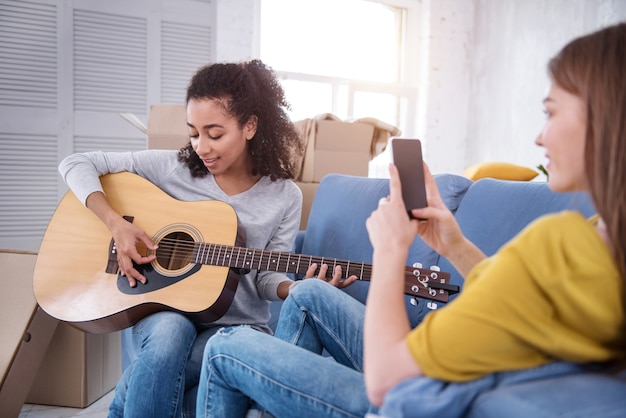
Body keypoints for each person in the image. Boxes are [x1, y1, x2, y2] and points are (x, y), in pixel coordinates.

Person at [195, 22, 626, 418]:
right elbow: (527, 299)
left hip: (414, 398)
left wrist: (390, 250)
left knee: (227, 344)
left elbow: (388, 381)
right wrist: (453, 244)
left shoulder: (561, 240)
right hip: (464, 378)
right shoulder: (601, 239)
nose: (539, 136)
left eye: (551, 112)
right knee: (308, 294)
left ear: (605, 120)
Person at [58, 59, 354, 418]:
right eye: (194, 132)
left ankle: (121, 404)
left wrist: (295, 288)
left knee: (168, 366)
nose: (201, 146)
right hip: (165, 308)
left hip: (236, 327)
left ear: (249, 126)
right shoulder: (175, 168)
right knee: (168, 335)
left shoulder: (284, 196)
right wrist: (116, 224)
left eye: (214, 134)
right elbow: (75, 163)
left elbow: (266, 278)